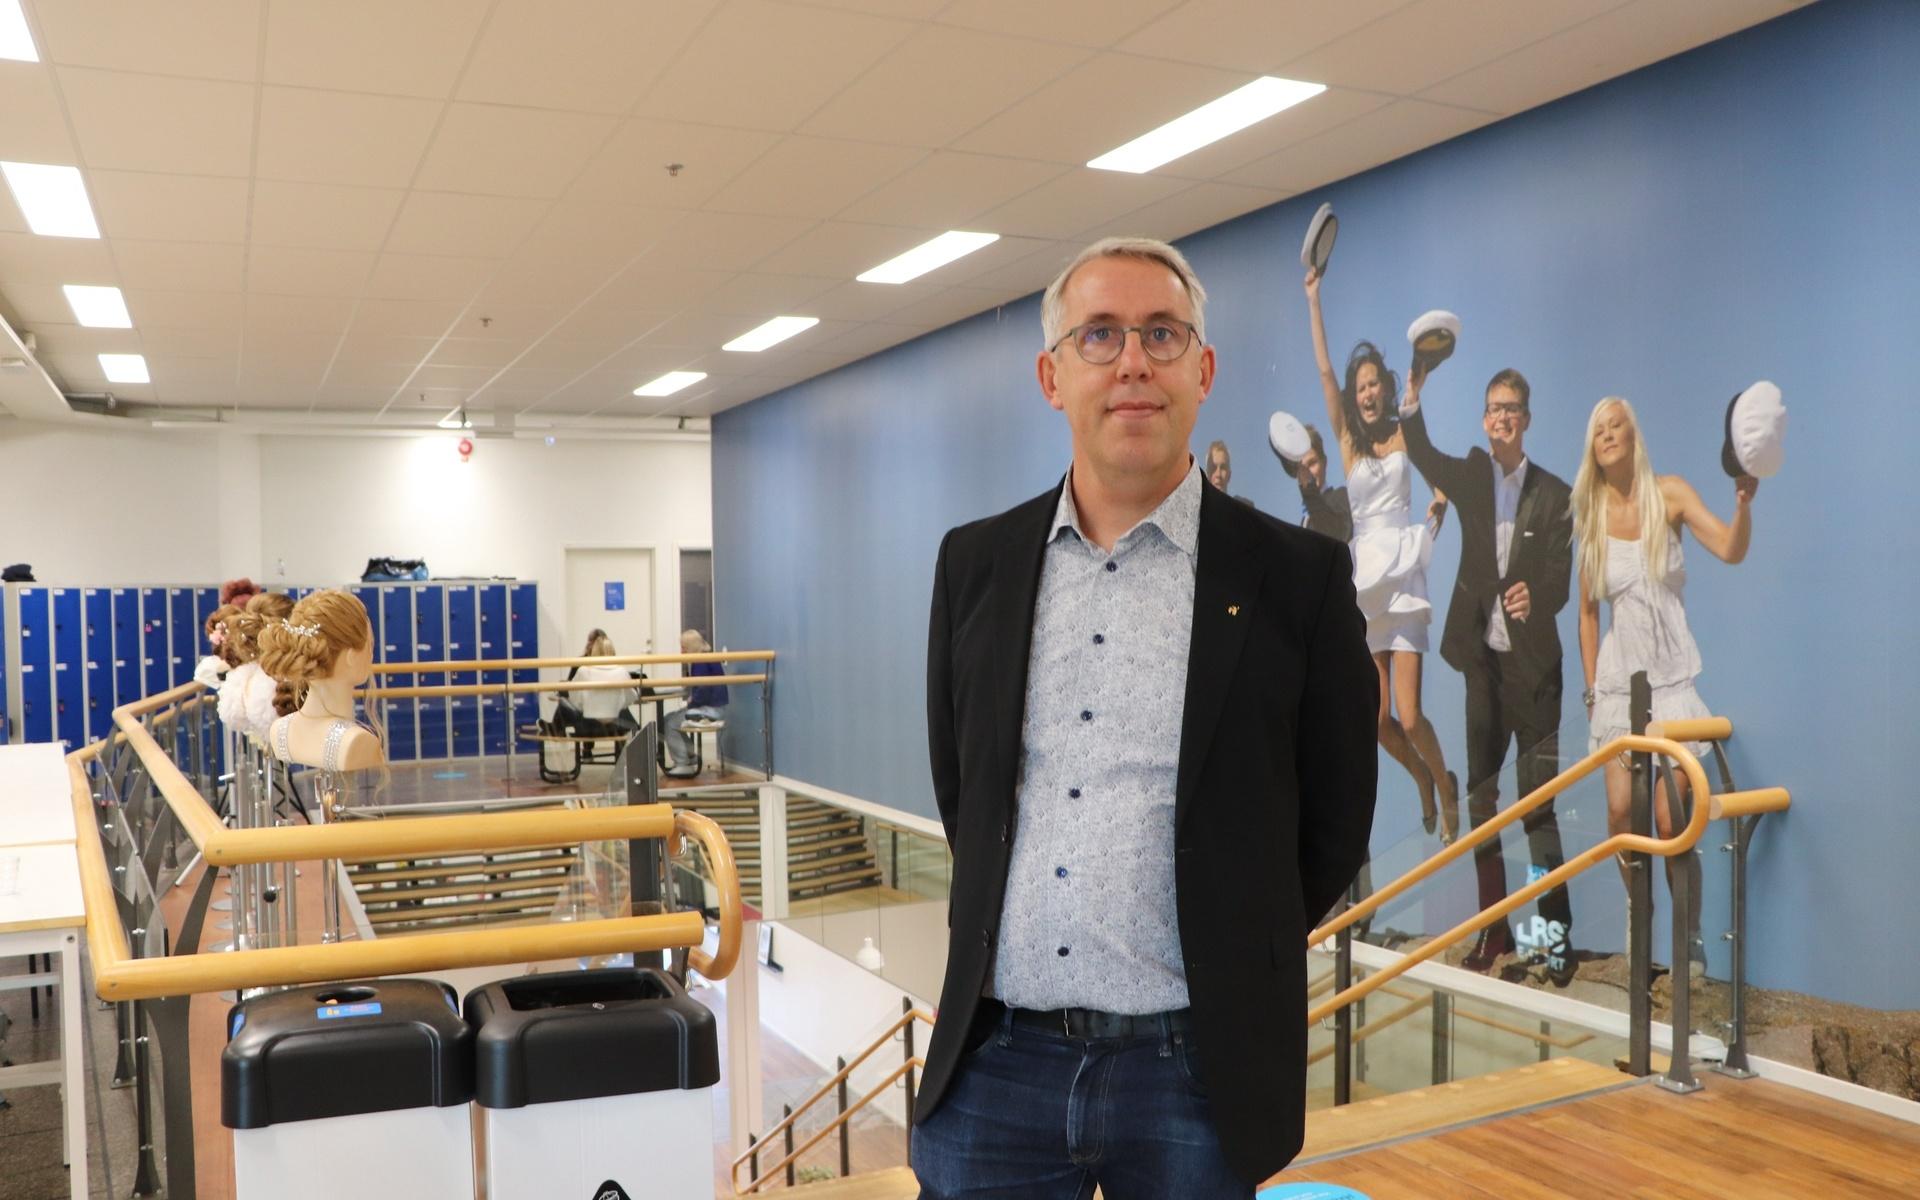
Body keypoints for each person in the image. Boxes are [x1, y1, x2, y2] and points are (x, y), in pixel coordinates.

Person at [913, 237, 1377, 1196]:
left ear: (1202, 370)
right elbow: (966, 789)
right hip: (996, 1066)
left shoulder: (1299, 579)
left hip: (1197, 1079)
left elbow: (1335, 822)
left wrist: (1233, 937)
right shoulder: (976, 565)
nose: (1133, 362)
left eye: (1161, 335)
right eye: (1101, 336)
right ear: (1053, 375)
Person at [1401, 368, 1577, 980]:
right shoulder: (1472, 476)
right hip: (1484, 669)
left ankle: (1553, 937)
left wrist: (1541, 594)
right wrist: (1414, 394)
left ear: (1526, 420)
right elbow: (1421, 451)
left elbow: (1561, 576)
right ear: (1484, 419)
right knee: (1483, 802)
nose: (1502, 417)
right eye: (1493, 408)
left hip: (1535, 676)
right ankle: (1493, 933)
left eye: (1513, 409)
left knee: (1537, 809)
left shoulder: (1556, 495)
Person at [1574, 397, 1757, 978]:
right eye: (1598, 429)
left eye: (1615, 425)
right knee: (1621, 816)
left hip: (1672, 685)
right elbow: (1585, 613)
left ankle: (1690, 938)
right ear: (1593, 448)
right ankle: (1640, 917)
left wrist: (1744, 503)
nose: (1607, 434)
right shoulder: (1591, 512)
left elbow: (1730, 549)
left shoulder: (1669, 493)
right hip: (1617, 692)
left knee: (1670, 817)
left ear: (1633, 434)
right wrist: (1590, 691)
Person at [1304, 267, 1459, 843]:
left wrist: (1439, 507)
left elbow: (1438, 474)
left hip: (1405, 574)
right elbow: (1323, 369)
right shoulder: (1347, 440)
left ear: (1386, 389)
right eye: (1360, 385)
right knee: (1376, 720)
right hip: (1366, 577)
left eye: (1374, 384)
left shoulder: (1403, 436)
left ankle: (1445, 783)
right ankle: (1420, 779)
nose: (1367, 392)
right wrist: (1315, 297)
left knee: (1410, 715)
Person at [551, 629, 643, 738]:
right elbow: (631, 697)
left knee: (563, 702)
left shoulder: (583, 670)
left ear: (593, 650)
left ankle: (555, 729)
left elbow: (575, 700)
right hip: (616, 725)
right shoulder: (621, 671)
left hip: (587, 726)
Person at [664, 629, 727, 778]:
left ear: (691, 647)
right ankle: (689, 756)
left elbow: (703, 692)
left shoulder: (700, 662)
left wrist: (691, 703)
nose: (681, 651)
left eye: (683, 648)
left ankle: (683, 763)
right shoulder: (705, 658)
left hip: (711, 710)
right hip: (713, 707)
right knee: (669, 718)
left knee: (670, 722)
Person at [1294, 422, 1353, 542]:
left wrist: (1309, 492)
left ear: (1324, 462)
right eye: (1301, 468)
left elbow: (1335, 536)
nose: (1307, 473)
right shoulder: (1304, 520)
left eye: (1312, 463)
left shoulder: (1341, 497)